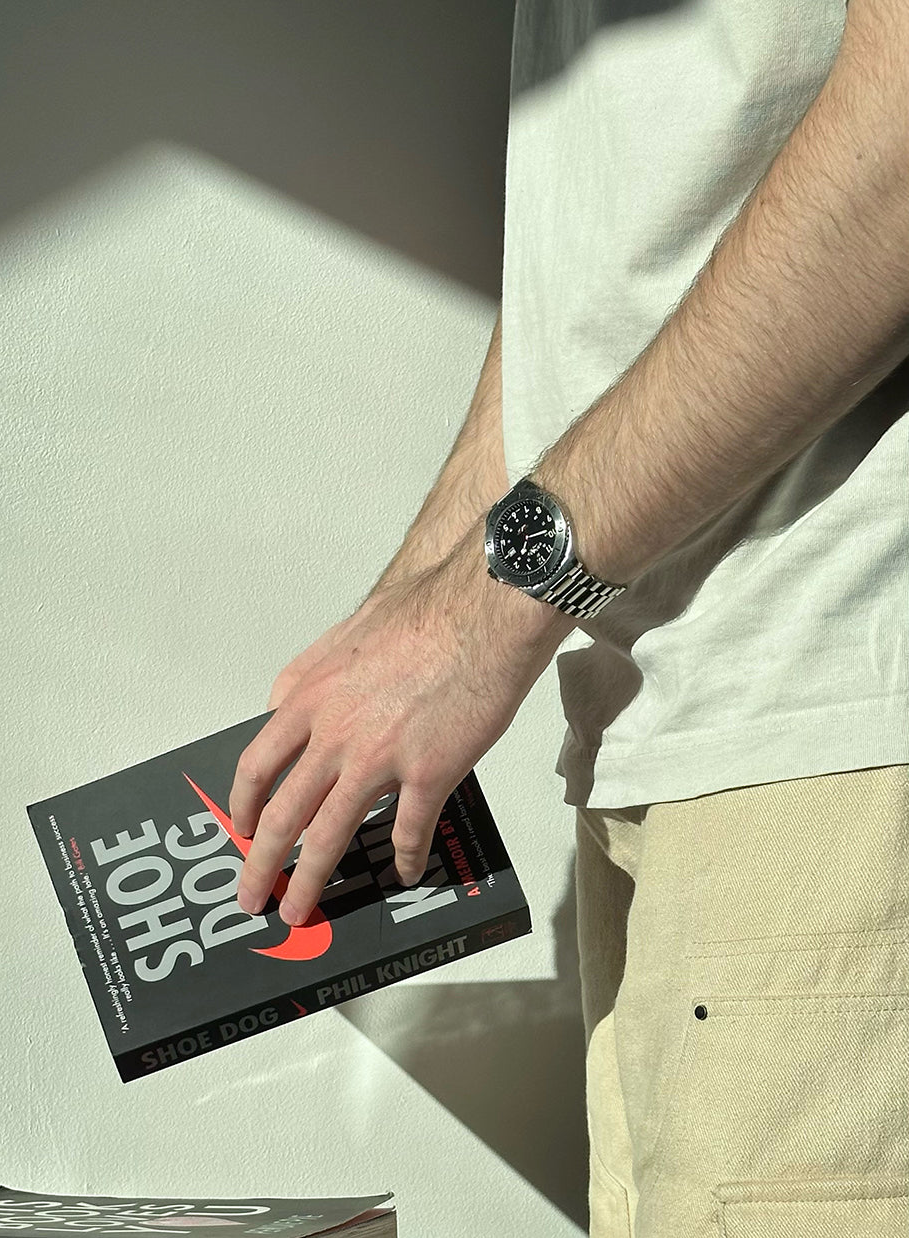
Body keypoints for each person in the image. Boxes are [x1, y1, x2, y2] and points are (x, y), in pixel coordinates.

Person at [229, 1, 908, 1233]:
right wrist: (412, 608)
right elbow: (604, 259)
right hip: (673, 725)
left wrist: (476, 616)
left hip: (832, 710)